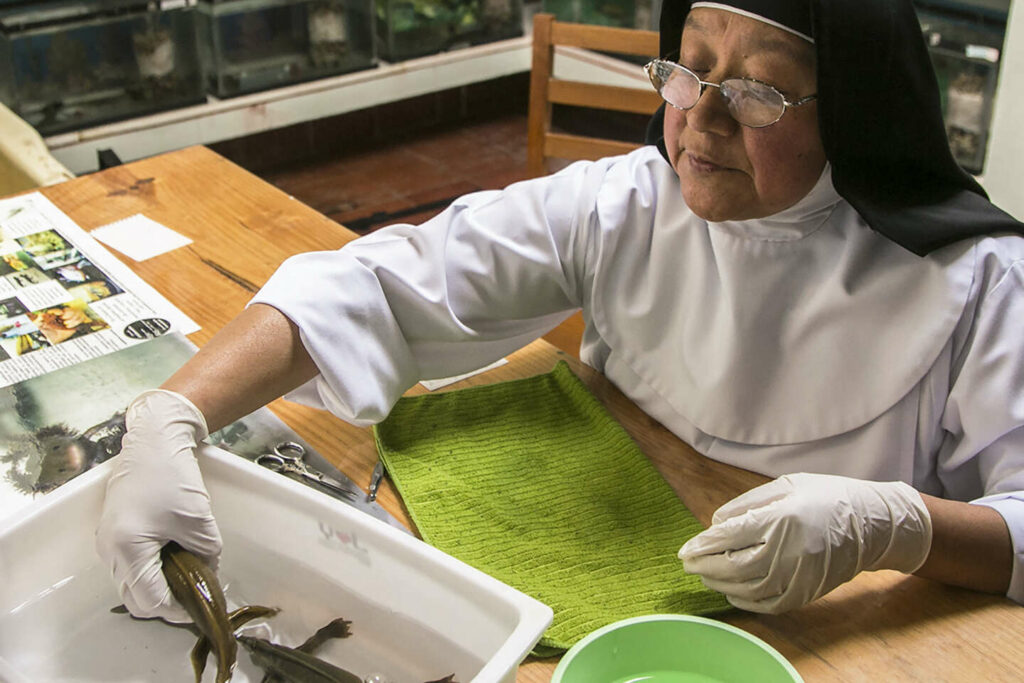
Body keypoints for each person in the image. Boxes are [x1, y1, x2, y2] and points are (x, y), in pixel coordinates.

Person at [97, 0, 1024, 621]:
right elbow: (382, 281)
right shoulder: (627, 202)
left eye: (758, 92)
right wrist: (171, 413)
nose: (702, 118)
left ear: (857, 113)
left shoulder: (979, 282)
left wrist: (898, 526)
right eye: (689, 70)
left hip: (856, 633)